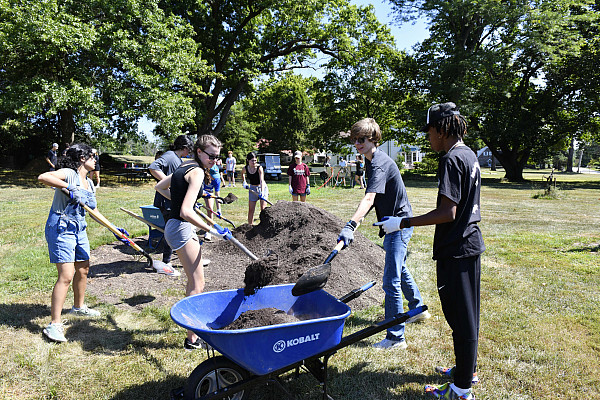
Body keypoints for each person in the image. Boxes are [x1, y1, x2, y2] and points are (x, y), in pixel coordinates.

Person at [375, 103, 484, 400]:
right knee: (468, 314)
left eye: (429, 132)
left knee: (461, 319)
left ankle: (461, 391)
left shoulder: (451, 159)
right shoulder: (469, 154)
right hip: (470, 243)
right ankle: (467, 370)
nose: (428, 138)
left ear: (441, 128)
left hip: (456, 249)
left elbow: (447, 212)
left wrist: (403, 222)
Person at [338, 117, 430, 351]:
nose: (357, 144)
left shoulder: (378, 163)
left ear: (373, 139)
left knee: (391, 281)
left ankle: (395, 337)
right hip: (392, 223)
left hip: (398, 225)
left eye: (362, 139)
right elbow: (376, 196)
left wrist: (350, 225)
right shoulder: (371, 161)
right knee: (400, 268)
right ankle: (418, 309)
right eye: (354, 140)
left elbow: (369, 198)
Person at [38, 143, 127, 342]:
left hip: (79, 228)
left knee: (83, 269)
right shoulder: (69, 174)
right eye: (92, 156)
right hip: (61, 226)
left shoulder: (90, 182)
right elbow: (43, 177)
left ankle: (78, 307)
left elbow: (91, 210)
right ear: (81, 158)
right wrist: (69, 187)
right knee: (66, 275)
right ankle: (54, 324)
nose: (96, 160)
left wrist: (113, 228)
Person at [155, 135, 231, 350]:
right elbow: (186, 211)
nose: (215, 161)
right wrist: (212, 230)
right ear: (199, 152)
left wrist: (180, 200)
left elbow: (160, 187)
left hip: (173, 226)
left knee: (194, 282)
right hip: (180, 228)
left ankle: (192, 335)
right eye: (211, 156)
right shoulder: (197, 171)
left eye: (218, 157)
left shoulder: (184, 166)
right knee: (198, 284)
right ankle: (192, 339)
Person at [148, 135, 194, 269]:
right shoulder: (170, 155)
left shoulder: (177, 159)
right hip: (166, 202)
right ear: (184, 147)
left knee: (178, 229)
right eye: (189, 150)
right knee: (172, 230)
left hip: (173, 202)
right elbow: (153, 167)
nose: (189, 153)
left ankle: (187, 257)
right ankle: (167, 262)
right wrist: (166, 183)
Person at [241, 152, 268, 225]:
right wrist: (244, 182)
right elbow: (242, 173)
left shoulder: (259, 168)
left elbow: (261, 180)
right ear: (248, 160)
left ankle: (264, 225)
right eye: (252, 160)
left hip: (261, 187)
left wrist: (262, 192)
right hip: (252, 188)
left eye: (255, 160)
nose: (254, 162)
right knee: (251, 209)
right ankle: (250, 225)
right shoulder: (245, 168)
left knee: (263, 209)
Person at [202, 160, 222, 240]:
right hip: (198, 190)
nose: (214, 178)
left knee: (210, 209)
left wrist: (218, 209)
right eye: (213, 176)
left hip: (209, 192)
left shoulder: (217, 180)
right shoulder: (201, 176)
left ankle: (208, 231)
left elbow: (217, 196)